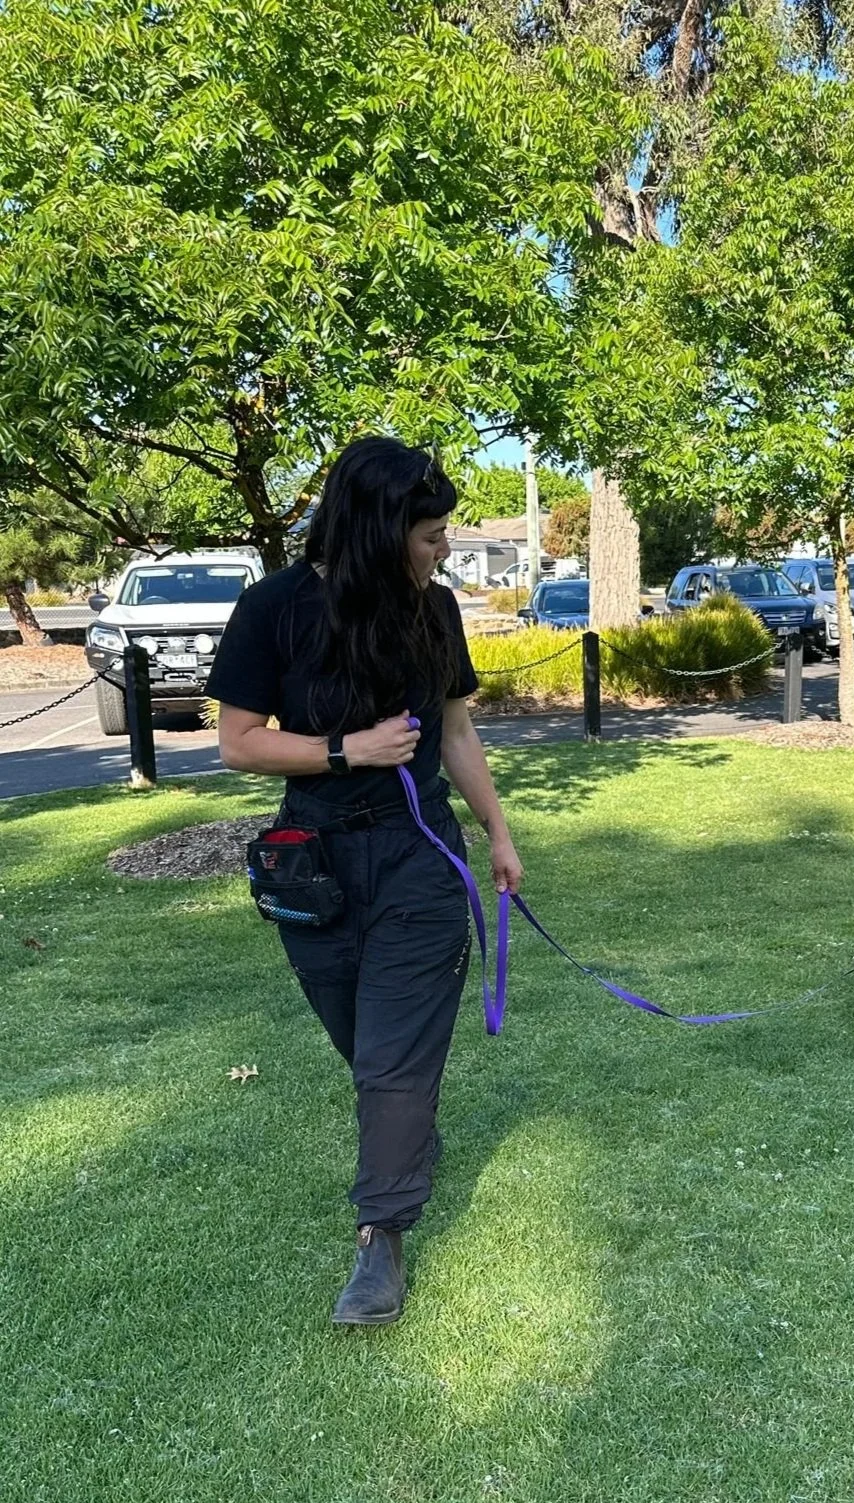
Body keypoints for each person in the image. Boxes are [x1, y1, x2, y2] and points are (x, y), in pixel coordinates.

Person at [205, 437, 523, 1326]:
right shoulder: (273, 608)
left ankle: (379, 1238)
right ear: (380, 533)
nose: (444, 550)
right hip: (314, 864)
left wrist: (498, 832)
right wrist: (344, 750)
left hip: (418, 860)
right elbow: (237, 742)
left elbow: (456, 731)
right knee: (367, 1050)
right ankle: (407, 1132)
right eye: (429, 536)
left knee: (391, 1059)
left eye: (446, 534)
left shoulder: (437, 611)